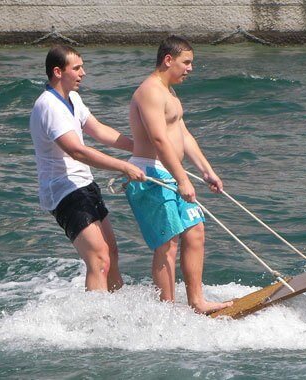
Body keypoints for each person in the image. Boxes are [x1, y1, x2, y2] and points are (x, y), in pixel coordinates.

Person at [125, 36, 232, 314]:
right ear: (168, 60)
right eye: (187, 62)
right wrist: (182, 179)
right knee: (168, 244)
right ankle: (167, 311)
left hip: (172, 173)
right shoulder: (150, 91)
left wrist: (207, 171)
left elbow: (183, 135)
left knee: (196, 232)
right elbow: (159, 139)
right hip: (152, 175)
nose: (190, 69)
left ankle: (197, 302)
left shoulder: (170, 92)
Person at [29, 45, 145, 292]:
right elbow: (76, 151)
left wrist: (139, 149)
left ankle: (116, 308)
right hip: (62, 192)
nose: (84, 73)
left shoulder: (73, 98)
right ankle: (97, 322)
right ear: (58, 72)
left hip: (83, 185)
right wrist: (124, 167)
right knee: (99, 258)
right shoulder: (48, 106)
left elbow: (100, 130)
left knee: (111, 253)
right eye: (77, 68)